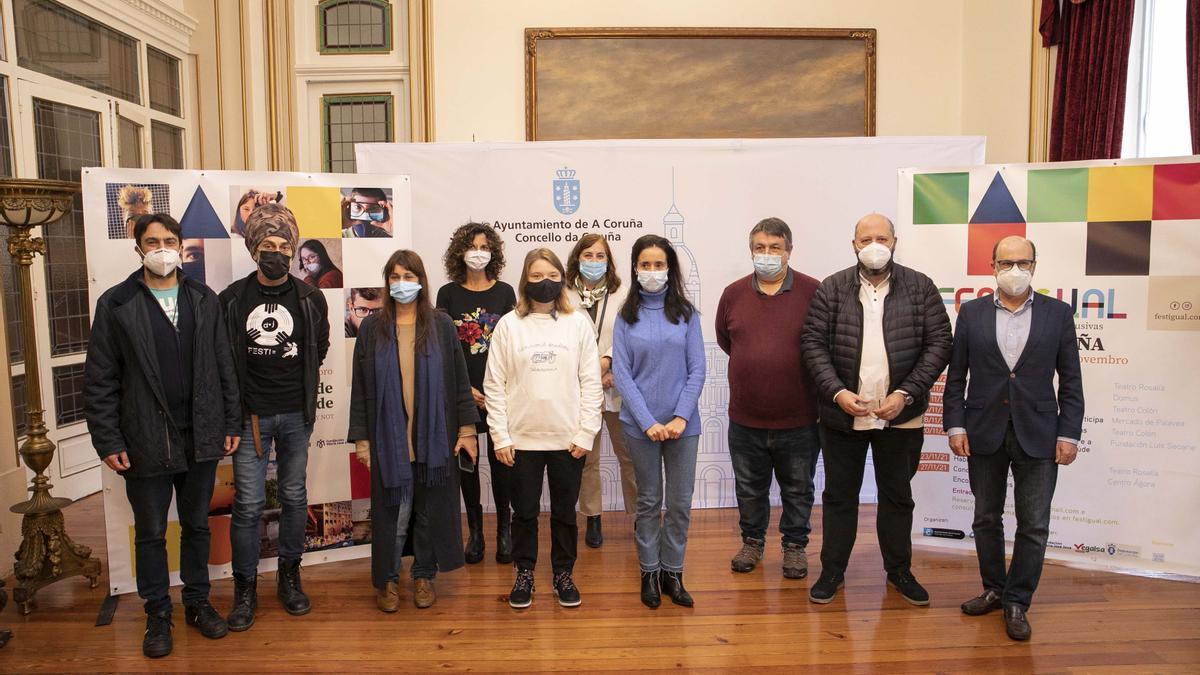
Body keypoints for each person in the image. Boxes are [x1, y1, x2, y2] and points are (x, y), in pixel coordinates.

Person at [83, 213, 241, 658]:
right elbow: (100, 379)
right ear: (138, 248)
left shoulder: (203, 298)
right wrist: (108, 440)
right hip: (145, 437)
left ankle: (196, 603)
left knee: (196, 526)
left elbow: (224, 365)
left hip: (201, 435)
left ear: (180, 244)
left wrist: (230, 422)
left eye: (169, 240)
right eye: (152, 241)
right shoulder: (116, 304)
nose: (162, 248)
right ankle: (157, 613)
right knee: (151, 532)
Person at [801, 213, 952, 606]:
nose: (873, 245)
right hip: (841, 416)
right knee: (839, 497)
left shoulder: (921, 287)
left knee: (897, 497)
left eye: (881, 237)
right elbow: (813, 344)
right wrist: (836, 392)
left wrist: (906, 392)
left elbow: (940, 343)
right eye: (865, 238)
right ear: (853, 244)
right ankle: (832, 570)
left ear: (895, 241)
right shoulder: (831, 289)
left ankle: (899, 571)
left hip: (901, 416)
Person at [945, 236, 1083, 641]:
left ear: (1035, 267)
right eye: (1006, 263)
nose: (1015, 270)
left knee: (1034, 524)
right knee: (985, 518)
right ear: (992, 267)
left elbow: (1071, 380)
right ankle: (995, 588)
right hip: (983, 430)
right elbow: (956, 377)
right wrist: (955, 425)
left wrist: (1069, 433)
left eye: (1023, 262)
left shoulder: (1058, 314)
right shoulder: (970, 314)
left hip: (1039, 432)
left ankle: (1018, 599)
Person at [218, 203, 330, 631]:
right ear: (254, 250)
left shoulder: (309, 297)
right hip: (250, 419)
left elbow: (317, 349)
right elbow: (224, 361)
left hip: (296, 416)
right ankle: (244, 588)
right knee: (247, 505)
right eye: (268, 244)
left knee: (295, 496)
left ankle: (289, 576)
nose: (277, 252)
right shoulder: (232, 299)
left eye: (285, 245)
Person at [348, 250, 480, 612]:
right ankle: (388, 581)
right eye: (394, 277)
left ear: (421, 281)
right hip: (389, 441)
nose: (401, 284)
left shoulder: (440, 325)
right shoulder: (373, 328)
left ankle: (424, 575)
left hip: (434, 438)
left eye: (409, 276)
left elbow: (458, 381)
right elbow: (360, 388)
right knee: (396, 514)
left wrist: (467, 429)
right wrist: (361, 439)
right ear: (386, 281)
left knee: (429, 511)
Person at [483, 248, 603, 609]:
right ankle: (525, 573)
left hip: (568, 440)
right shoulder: (508, 325)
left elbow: (591, 381)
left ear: (562, 279)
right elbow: (494, 384)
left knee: (565, 513)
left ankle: (563, 574)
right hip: (521, 440)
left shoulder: (577, 323)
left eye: (551, 275)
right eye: (536, 276)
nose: (544, 282)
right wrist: (500, 436)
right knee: (525, 514)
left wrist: (586, 433)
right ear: (525, 280)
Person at [715, 217, 822, 580]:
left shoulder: (813, 291)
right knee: (749, 490)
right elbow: (726, 341)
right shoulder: (733, 294)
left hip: (800, 419)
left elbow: (823, 346)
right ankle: (752, 542)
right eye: (760, 248)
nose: (767, 254)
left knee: (798, 490)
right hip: (746, 419)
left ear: (789, 251)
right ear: (750, 251)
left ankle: (794, 547)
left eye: (775, 248)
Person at [611, 234, 705, 608]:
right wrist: (648, 421)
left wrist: (681, 416)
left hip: (684, 427)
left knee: (680, 504)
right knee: (649, 502)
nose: (652, 271)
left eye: (659, 264)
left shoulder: (687, 314)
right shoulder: (625, 316)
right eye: (645, 265)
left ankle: (673, 573)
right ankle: (649, 572)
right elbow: (622, 374)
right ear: (635, 269)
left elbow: (697, 369)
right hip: (640, 427)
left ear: (670, 268)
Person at [435, 223, 516, 565]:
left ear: (494, 252)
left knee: (503, 466)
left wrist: (494, 389)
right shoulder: (447, 294)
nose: (479, 252)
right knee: (467, 463)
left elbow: (515, 344)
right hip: (461, 393)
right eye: (472, 246)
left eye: (485, 246)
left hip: (500, 393)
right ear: (460, 252)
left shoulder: (507, 292)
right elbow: (441, 346)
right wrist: (464, 388)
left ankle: (504, 531)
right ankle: (476, 533)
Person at [564, 233, 637, 548]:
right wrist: (591, 375)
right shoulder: (563, 295)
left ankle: (640, 518)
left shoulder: (623, 293)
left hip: (617, 385)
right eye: (588, 255)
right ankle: (593, 518)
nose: (594, 262)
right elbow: (562, 339)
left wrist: (609, 365)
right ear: (577, 258)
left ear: (609, 261)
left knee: (630, 457)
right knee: (586, 458)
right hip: (580, 389)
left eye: (600, 256)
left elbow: (630, 335)